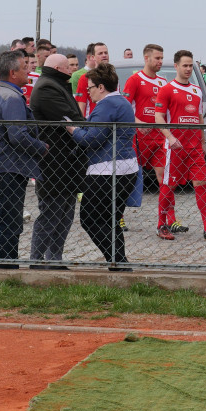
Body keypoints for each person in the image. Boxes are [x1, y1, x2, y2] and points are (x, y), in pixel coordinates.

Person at [68, 63, 137, 267]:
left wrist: (72, 129)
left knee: (90, 218)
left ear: (100, 87)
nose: (87, 93)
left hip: (107, 169)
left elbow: (92, 139)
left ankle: (118, 260)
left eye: (89, 88)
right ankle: (117, 261)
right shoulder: (121, 102)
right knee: (110, 219)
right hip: (126, 167)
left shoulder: (106, 105)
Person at [0, 50, 47, 268]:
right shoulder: (11, 97)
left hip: (2, 165)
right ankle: (5, 267)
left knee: (0, 217)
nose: (28, 69)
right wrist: (41, 147)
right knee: (10, 221)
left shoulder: (1, 92)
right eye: (24, 66)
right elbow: (17, 135)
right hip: (9, 167)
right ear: (13, 73)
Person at [155, 50, 206, 241]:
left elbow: (200, 118)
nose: (187, 69)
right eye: (184, 65)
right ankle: (162, 225)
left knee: (201, 185)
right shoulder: (167, 89)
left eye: (190, 65)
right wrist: (169, 137)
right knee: (169, 186)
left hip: (194, 148)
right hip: (175, 148)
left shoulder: (196, 90)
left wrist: (202, 142)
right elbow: (158, 117)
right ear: (176, 66)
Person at [29, 53, 87, 268]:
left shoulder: (57, 84)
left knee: (65, 214)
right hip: (53, 162)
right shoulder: (47, 87)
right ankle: (36, 260)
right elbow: (69, 117)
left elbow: (73, 116)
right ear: (58, 68)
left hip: (67, 162)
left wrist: (81, 123)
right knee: (51, 213)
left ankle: (54, 258)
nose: (71, 71)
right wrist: (85, 125)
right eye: (67, 67)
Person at [122, 44, 170, 233]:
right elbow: (124, 108)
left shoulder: (162, 81)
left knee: (164, 179)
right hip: (138, 139)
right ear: (146, 58)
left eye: (161, 58)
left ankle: (166, 220)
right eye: (157, 58)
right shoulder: (134, 80)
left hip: (159, 138)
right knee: (128, 179)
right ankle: (119, 217)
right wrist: (138, 123)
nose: (160, 62)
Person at [76, 43, 109, 116]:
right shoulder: (85, 78)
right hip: (92, 123)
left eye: (106, 53)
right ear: (93, 57)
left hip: (110, 123)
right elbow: (81, 106)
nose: (104, 55)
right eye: (100, 53)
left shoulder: (113, 77)